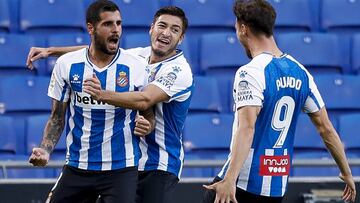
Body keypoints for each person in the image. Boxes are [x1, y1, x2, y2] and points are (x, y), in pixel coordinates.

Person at [27, 6, 193, 203]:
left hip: (159, 161)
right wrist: (51, 51)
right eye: (162, 26)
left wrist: (100, 95)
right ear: (151, 28)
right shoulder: (139, 56)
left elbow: (145, 100)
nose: (166, 33)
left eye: (174, 30)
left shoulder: (179, 71)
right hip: (128, 156)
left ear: (181, 38)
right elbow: (96, 49)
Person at [202, 0, 356, 203]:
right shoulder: (301, 73)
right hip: (275, 188)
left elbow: (247, 128)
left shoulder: (251, 72)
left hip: (241, 184)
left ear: (243, 29)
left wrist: (229, 179)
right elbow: (326, 128)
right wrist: (346, 172)